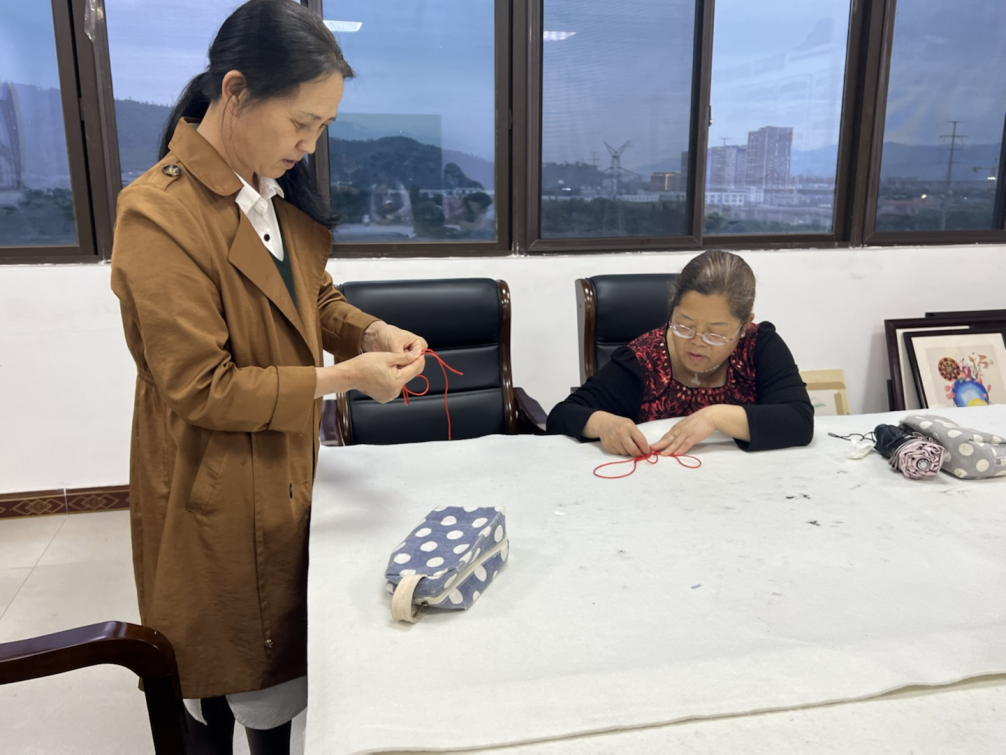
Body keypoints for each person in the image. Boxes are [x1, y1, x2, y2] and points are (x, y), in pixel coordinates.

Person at [109, 2, 426, 752]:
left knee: (273, 664)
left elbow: (312, 298)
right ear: (236, 90)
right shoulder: (158, 214)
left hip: (282, 463)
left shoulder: (269, 196)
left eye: (322, 127)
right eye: (301, 122)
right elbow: (204, 387)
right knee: (225, 662)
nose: (309, 144)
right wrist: (342, 378)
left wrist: (369, 332)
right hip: (212, 481)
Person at [547, 251, 813, 457]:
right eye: (684, 326)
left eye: (715, 334)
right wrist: (603, 424)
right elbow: (562, 415)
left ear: (744, 325)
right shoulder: (645, 359)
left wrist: (715, 417)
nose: (697, 342)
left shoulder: (760, 346)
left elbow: (799, 421)